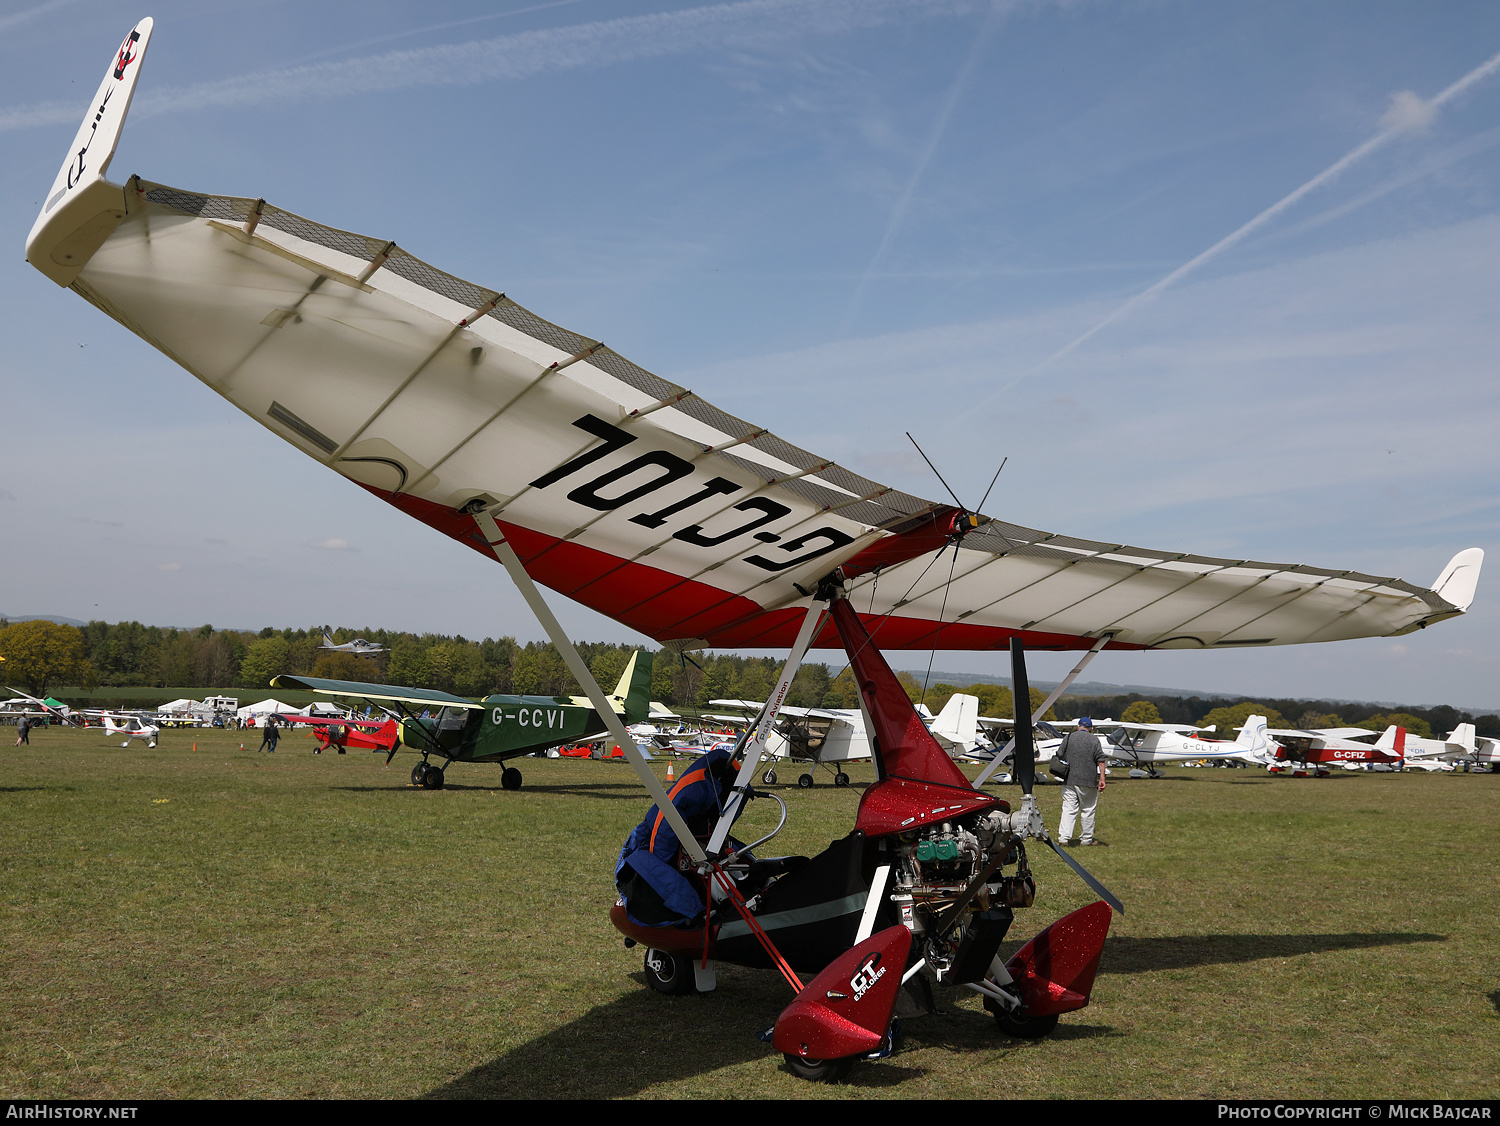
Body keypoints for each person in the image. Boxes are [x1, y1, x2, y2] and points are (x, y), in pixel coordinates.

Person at [1056, 716, 1107, 846]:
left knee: (1068, 809)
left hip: (1070, 780)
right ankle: (1086, 840)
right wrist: (1102, 778)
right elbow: (1101, 760)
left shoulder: (1068, 737)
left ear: (1078, 726)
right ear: (1091, 729)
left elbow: (1059, 754)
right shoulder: (1094, 740)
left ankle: (1063, 838)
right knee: (1088, 810)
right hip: (1088, 781)